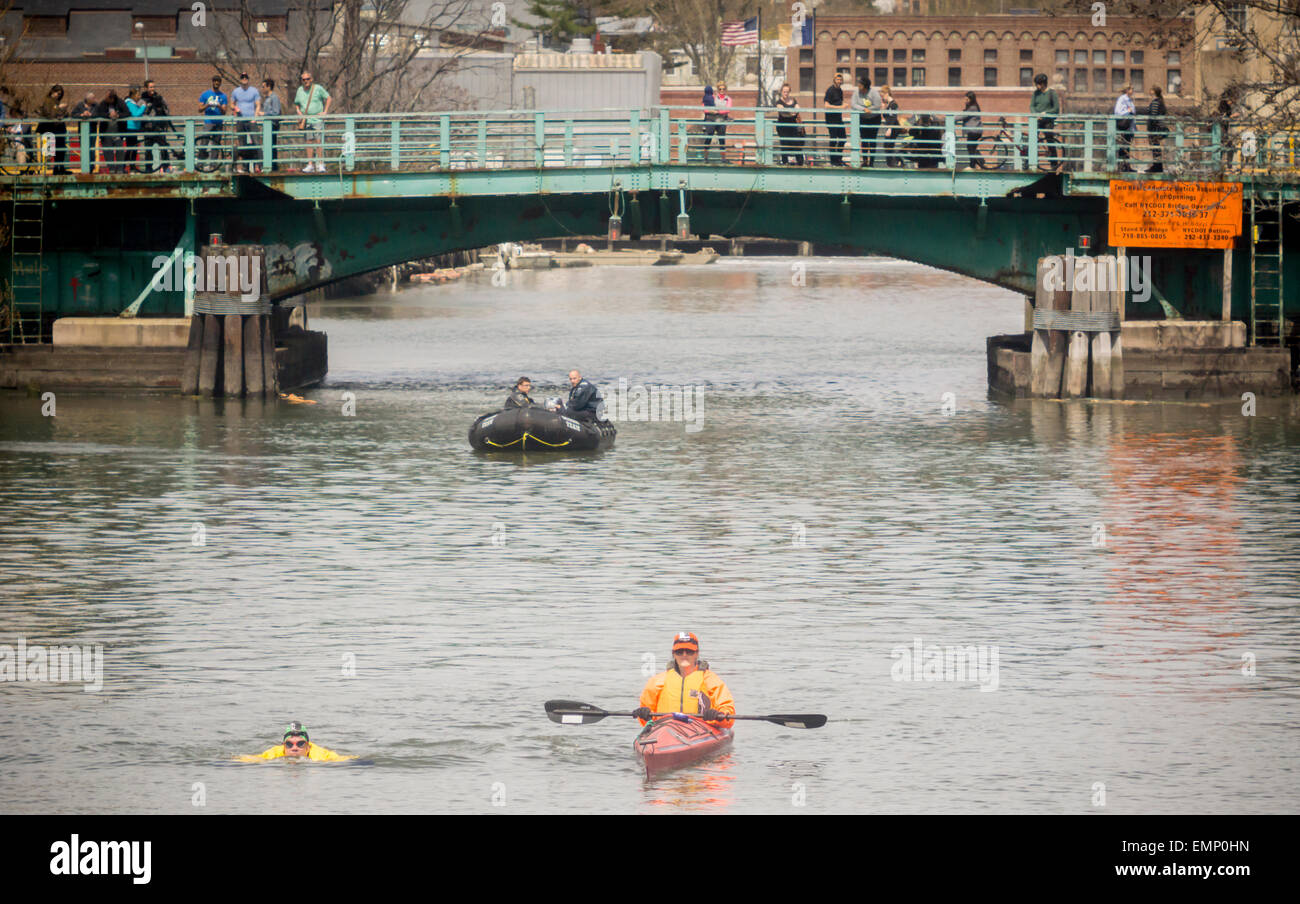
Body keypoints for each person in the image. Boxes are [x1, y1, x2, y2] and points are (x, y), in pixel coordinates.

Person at [633, 632, 735, 726]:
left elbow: (728, 711)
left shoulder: (711, 680)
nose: (684, 655)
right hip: (665, 729)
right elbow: (646, 718)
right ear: (673, 653)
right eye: (680, 651)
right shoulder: (657, 681)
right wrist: (644, 714)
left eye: (689, 651)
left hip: (701, 729)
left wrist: (718, 715)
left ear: (696, 653)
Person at [236, 721, 356, 763]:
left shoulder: (321, 756)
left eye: (300, 744)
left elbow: (344, 760)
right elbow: (250, 759)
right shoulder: (274, 753)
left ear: (308, 747)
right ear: (283, 746)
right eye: (289, 744)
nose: (294, 748)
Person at [294, 70, 331, 173]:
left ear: (311, 79)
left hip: (317, 119)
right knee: (309, 142)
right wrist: (298, 112)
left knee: (318, 141)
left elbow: (328, 98)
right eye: (303, 79)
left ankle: (320, 164)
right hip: (306, 120)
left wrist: (325, 111)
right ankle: (310, 164)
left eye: (308, 79)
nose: (306, 81)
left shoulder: (318, 88)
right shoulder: (300, 90)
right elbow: (296, 103)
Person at [140, 80, 174, 172]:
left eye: (153, 87)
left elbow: (166, 109)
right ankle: (148, 168)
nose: (152, 89)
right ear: (146, 88)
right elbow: (140, 112)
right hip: (148, 128)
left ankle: (166, 167)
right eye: (150, 87)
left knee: (163, 148)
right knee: (148, 150)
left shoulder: (159, 97)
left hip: (159, 128)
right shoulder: (142, 99)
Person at [1029, 73, 1062, 171]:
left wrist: (1046, 113)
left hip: (1048, 120)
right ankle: (1031, 162)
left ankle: (1053, 164)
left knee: (1049, 140)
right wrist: (1036, 114)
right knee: (1032, 139)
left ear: (1043, 84)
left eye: (1038, 84)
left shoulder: (1052, 93)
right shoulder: (1036, 93)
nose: (1037, 86)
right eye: (1036, 84)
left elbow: (1056, 109)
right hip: (1038, 120)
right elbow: (1032, 106)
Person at [231, 72, 262, 173]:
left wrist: (255, 118)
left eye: (246, 77)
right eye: (242, 78)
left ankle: (260, 166)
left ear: (248, 79)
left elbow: (258, 105)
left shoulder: (254, 91)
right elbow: (231, 104)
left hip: (251, 120)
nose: (244, 79)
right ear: (240, 79)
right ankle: (245, 167)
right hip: (240, 121)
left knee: (256, 142)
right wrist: (235, 108)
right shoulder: (236, 91)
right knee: (242, 144)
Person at [93, 89, 128, 173]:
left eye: (107, 97)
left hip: (118, 132)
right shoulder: (103, 103)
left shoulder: (120, 102)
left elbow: (127, 113)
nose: (105, 98)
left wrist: (118, 115)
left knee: (120, 151)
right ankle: (111, 169)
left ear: (112, 98)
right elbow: (98, 114)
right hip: (106, 133)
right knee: (107, 152)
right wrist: (108, 115)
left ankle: (120, 169)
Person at [851, 74, 882, 167]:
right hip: (863, 118)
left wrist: (870, 109)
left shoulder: (874, 93)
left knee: (872, 141)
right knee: (864, 140)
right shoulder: (856, 92)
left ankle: (871, 162)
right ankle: (865, 161)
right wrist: (863, 109)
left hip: (874, 118)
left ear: (866, 86)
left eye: (860, 85)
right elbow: (853, 104)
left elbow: (877, 105)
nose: (859, 87)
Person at [36, 85, 69, 174]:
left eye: (59, 94)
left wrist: (63, 112)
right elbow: (49, 114)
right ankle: (55, 169)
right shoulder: (48, 101)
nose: (57, 95)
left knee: (61, 149)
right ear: (52, 91)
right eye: (56, 93)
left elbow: (65, 114)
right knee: (51, 151)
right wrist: (59, 108)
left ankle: (60, 168)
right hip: (51, 129)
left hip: (58, 128)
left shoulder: (56, 102)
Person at [198, 75, 228, 165]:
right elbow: (199, 109)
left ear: (220, 83)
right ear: (212, 82)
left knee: (216, 144)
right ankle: (200, 163)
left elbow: (224, 112)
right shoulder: (205, 94)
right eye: (215, 81)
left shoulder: (223, 96)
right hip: (208, 122)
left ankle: (213, 165)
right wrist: (207, 105)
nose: (216, 83)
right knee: (204, 143)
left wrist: (219, 106)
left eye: (218, 81)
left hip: (218, 123)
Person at [774, 82, 802, 166]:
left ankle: (800, 162)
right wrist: (791, 113)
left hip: (793, 125)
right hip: (783, 126)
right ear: (781, 92)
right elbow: (782, 113)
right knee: (784, 143)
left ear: (789, 92)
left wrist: (789, 112)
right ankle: (785, 162)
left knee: (796, 143)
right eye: (784, 91)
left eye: (787, 91)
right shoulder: (779, 101)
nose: (786, 93)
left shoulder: (793, 100)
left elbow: (798, 109)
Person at [823, 72, 848, 166]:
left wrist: (843, 105)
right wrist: (840, 108)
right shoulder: (830, 90)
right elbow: (826, 105)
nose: (839, 81)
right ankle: (833, 161)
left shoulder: (840, 90)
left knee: (843, 138)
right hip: (831, 119)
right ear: (834, 80)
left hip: (838, 118)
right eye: (837, 79)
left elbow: (839, 102)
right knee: (833, 139)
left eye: (840, 79)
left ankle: (838, 159)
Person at [259, 78, 282, 171]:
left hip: (273, 125)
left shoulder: (274, 97)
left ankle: (273, 167)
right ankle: (269, 165)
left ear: (269, 86)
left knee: (272, 145)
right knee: (267, 145)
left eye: (263, 86)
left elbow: (276, 113)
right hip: (267, 126)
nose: (262, 88)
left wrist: (264, 114)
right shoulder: (267, 99)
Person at [123, 85, 146, 171]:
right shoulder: (130, 103)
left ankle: (131, 166)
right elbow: (136, 115)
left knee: (133, 148)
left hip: (134, 128)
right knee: (130, 148)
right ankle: (125, 166)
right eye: (138, 95)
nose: (139, 97)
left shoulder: (132, 103)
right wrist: (143, 106)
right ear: (133, 96)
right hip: (131, 128)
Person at [1145, 85, 1167, 173]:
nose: (1149, 91)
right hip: (1159, 129)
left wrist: (1151, 129)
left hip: (1155, 129)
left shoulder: (1155, 102)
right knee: (1156, 148)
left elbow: (1153, 116)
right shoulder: (1160, 101)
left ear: (1153, 92)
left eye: (1151, 90)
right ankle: (1157, 167)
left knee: (1155, 148)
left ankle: (1157, 167)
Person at [1114, 83, 1135, 172]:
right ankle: (1122, 167)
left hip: (1129, 128)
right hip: (1124, 127)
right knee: (1123, 147)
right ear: (1127, 90)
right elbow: (1117, 112)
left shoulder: (1129, 100)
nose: (1132, 91)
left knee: (1127, 147)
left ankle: (1127, 167)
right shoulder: (1122, 99)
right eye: (1131, 89)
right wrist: (1128, 111)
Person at [961, 91, 985, 170]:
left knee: (970, 147)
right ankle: (980, 162)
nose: (965, 100)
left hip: (974, 131)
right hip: (975, 131)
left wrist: (950, 118)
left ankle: (972, 165)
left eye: (966, 99)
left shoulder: (972, 108)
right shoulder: (973, 107)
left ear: (970, 99)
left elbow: (963, 116)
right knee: (972, 148)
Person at [879, 84, 900, 166]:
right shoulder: (889, 104)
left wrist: (889, 129)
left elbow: (893, 117)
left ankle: (893, 163)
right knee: (889, 145)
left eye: (882, 96)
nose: (882, 98)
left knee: (887, 145)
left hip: (893, 127)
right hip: (891, 127)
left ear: (886, 94)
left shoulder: (893, 104)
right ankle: (892, 163)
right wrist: (883, 108)